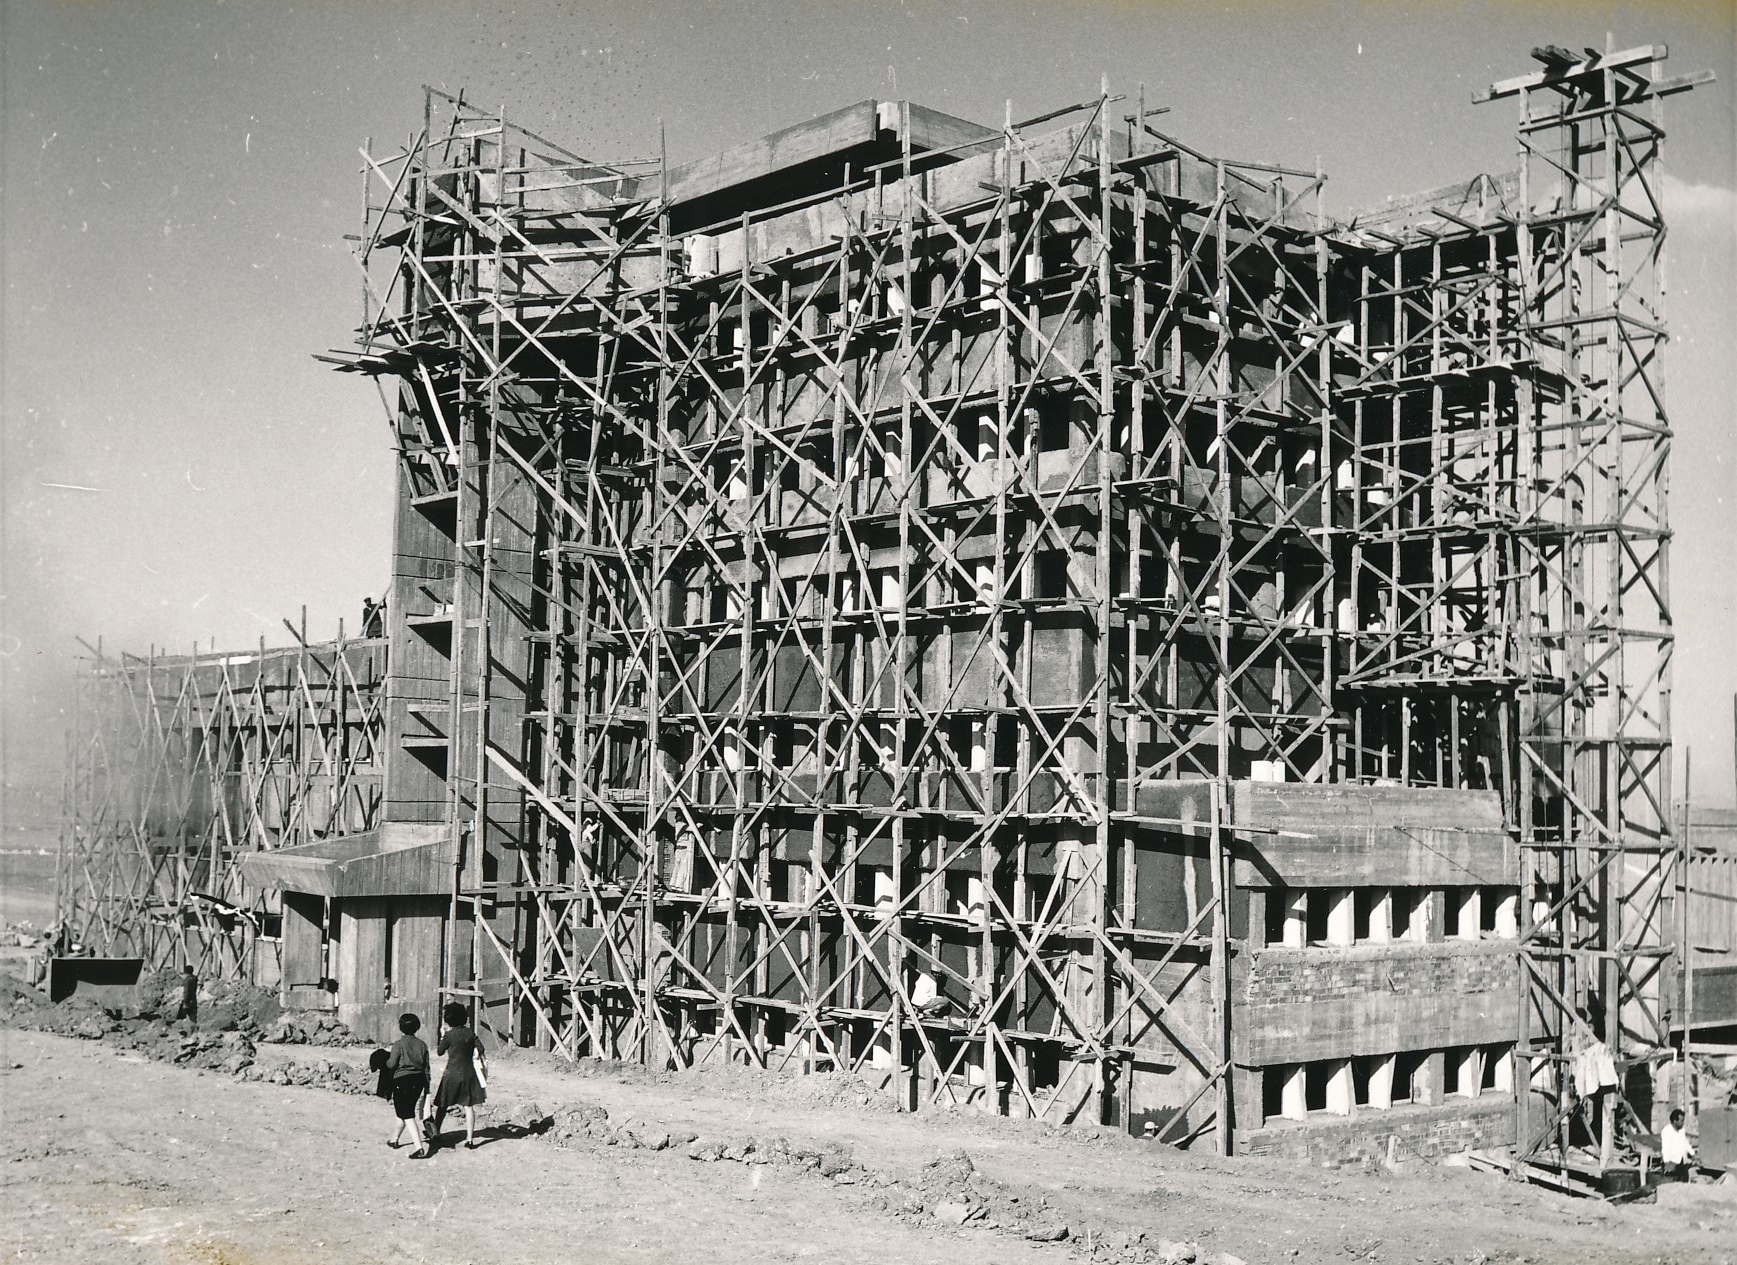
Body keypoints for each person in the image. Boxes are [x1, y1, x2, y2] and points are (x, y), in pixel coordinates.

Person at [426, 1002, 488, 1151]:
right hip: (468, 1073)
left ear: (448, 1019)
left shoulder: (449, 1035)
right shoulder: (470, 1033)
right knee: (468, 1107)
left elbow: (440, 1052)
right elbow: (481, 1048)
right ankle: (470, 1139)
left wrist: (443, 1035)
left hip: (452, 1073)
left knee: (442, 1104)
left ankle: (436, 1133)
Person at [385, 1012, 432, 1158]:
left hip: (402, 1081)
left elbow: (391, 1064)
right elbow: (426, 1067)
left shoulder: (398, 1044)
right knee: (405, 1111)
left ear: (400, 1028)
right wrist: (427, 1086)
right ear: (417, 1027)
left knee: (407, 1113)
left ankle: (419, 1148)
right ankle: (394, 1140)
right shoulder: (422, 1045)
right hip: (418, 1081)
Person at [1660, 1108, 1696, 1180]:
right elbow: (1665, 1148)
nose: (1683, 1123)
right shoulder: (1667, 1131)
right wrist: (1667, 1163)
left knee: (1683, 1182)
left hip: (1682, 1161)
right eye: (1681, 1121)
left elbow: (1685, 1143)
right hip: (1672, 1163)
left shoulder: (1681, 1130)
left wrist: (1693, 1154)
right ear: (1675, 1121)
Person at [174, 965, 199, 1030]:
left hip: (188, 1000)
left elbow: (187, 992)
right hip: (194, 1000)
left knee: (180, 1017)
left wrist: (185, 1002)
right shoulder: (194, 978)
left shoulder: (187, 980)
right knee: (193, 1018)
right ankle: (194, 1031)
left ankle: (181, 1031)